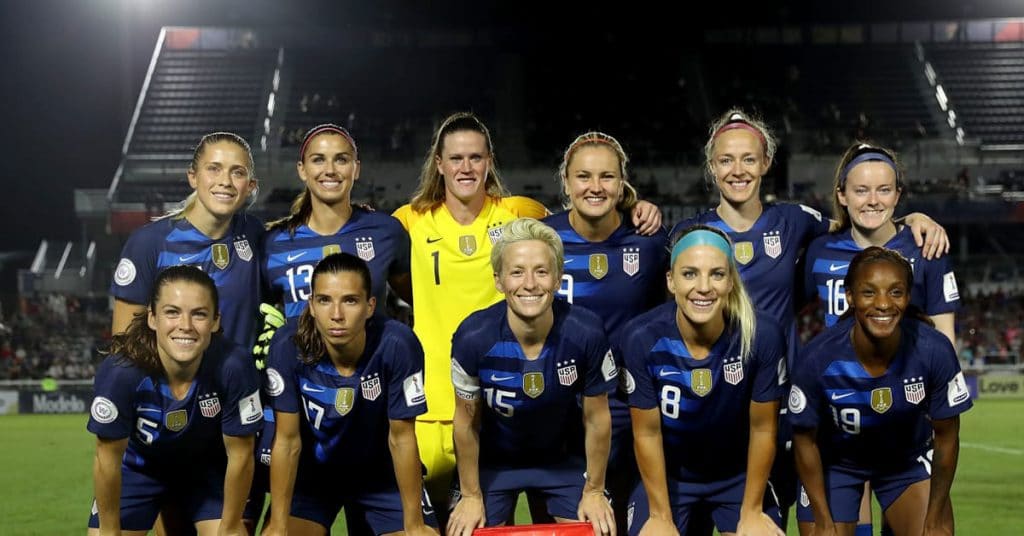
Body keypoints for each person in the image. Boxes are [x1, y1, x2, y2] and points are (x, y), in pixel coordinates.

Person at [669, 109, 948, 529]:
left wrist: (912, 220)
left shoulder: (797, 221)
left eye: (749, 158)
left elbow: (861, 227)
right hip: (711, 404)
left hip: (782, 408)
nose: (738, 170)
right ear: (712, 167)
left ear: (766, 163)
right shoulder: (688, 234)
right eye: (726, 159)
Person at [392, 112, 661, 517]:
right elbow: (389, 269)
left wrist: (634, 204)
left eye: (476, 157)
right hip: (453, 404)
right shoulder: (408, 220)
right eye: (456, 158)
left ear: (490, 161)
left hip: (576, 403)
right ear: (439, 164)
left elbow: (594, 208)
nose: (466, 167)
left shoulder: (522, 214)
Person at [447, 218, 617, 536]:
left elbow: (597, 419)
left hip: (562, 460)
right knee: (465, 532)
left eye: (541, 271)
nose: (530, 283)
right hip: (493, 463)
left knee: (598, 530)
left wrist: (594, 489)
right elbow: (466, 422)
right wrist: (471, 495)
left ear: (557, 278)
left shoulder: (586, 332)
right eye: (517, 272)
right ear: (498, 280)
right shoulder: (473, 337)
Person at [789, 247, 971, 536]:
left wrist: (935, 517)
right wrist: (823, 521)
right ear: (850, 296)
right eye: (869, 292)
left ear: (908, 297)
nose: (884, 304)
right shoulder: (817, 358)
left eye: (896, 292)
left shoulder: (933, 350)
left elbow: (947, 436)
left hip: (905, 463)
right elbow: (804, 441)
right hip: (837, 464)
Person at [621, 225, 786, 536]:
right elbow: (647, 432)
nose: (704, 287)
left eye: (717, 274)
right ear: (671, 281)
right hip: (670, 478)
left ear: (731, 281)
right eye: (690, 274)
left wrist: (750, 512)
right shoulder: (641, 337)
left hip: (738, 477)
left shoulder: (762, 335)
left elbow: (763, 429)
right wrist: (659, 515)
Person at [543, 131, 669, 530]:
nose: (595, 187)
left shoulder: (649, 242)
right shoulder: (542, 239)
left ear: (622, 183)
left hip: (633, 412)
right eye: (583, 176)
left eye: (606, 177)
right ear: (565, 181)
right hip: (562, 415)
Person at [262, 253, 436, 535]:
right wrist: (279, 526)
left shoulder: (397, 344)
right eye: (325, 300)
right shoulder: (287, 345)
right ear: (312, 306)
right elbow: (287, 441)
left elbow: (402, 438)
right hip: (312, 477)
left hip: (382, 476)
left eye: (350, 300)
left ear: (370, 307)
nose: (337, 315)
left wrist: (414, 525)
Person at [88, 266, 263, 535]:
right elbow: (107, 460)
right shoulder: (121, 373)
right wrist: (110, 531)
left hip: (207, 473)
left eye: (199, 314)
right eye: (172, 312)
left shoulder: (234, 366)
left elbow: (240, 455)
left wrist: (228, 529)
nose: (185, 326)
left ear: (216, 321)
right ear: (153, 319)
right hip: (140, 471)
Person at [111, 132, 263, 349]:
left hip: (241, 382)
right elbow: (123, 345)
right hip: (170, 382)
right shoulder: (149, 243)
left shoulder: (254, 233)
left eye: (237, 172)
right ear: (193, 176)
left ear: (250, 185)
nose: (225, 181)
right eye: (214, 169)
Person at [805, 142, 959, 343]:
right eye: (861, 190)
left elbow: (945, 341)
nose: (873, 200)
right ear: (842, 195)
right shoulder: (821, 250)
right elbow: (782, 309)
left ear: (897, 195)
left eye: (884, 190)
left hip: (908, 374)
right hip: (839, 375)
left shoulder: (927, 248)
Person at [264, 123, 412, 321]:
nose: (330, 170)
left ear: (356, 168)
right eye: (318, 160)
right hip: (300, 353)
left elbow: (422, 299)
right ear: (302, 169)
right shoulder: (273, 243)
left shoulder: (386, 232)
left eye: (341, 159)